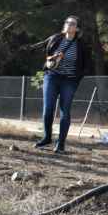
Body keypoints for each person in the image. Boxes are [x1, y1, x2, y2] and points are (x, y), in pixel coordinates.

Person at [34, 15, 90, 153]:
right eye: (67, 22)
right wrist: (50, 61)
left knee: (65, 110)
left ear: (77, 29)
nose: (68, 25)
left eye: (72, 23)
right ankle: (47, 137)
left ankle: (61, 144)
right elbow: (46, 54)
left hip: (69, 80)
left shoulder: (81, 45)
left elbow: (85, 64)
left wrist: (77, 79)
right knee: (48, 108)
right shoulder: (55, 39)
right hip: (52, 77)